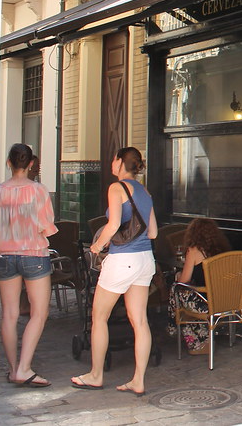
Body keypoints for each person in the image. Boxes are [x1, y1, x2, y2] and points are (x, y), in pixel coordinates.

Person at [71, 147, 158, 396]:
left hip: (122, 261)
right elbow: (153, 233)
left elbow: (113, 224)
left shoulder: (117, 188)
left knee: (99, 317)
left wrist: (97, 247)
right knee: (139, 320)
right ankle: (138, 380)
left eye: (113, 158)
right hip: (145, 260)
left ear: (120, 162)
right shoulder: (145, 191)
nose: (112, 162)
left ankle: (96, 375)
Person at [0, 143, 57, 388]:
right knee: (39, 312)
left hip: (4, 256)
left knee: (9, 314)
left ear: (9, 162)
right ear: (31, 164)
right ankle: (24, 367)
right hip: (34, 255)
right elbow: (47, 226)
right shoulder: (38, 191)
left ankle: (13, 369)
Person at [167, 218, 231, 354]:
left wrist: (178, 276)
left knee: (176, 288)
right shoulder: (223, 249)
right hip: (225, 299)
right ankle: (185, 331)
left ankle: (174, 326)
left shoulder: (194, 251)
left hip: (205, 302)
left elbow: (184, 280)